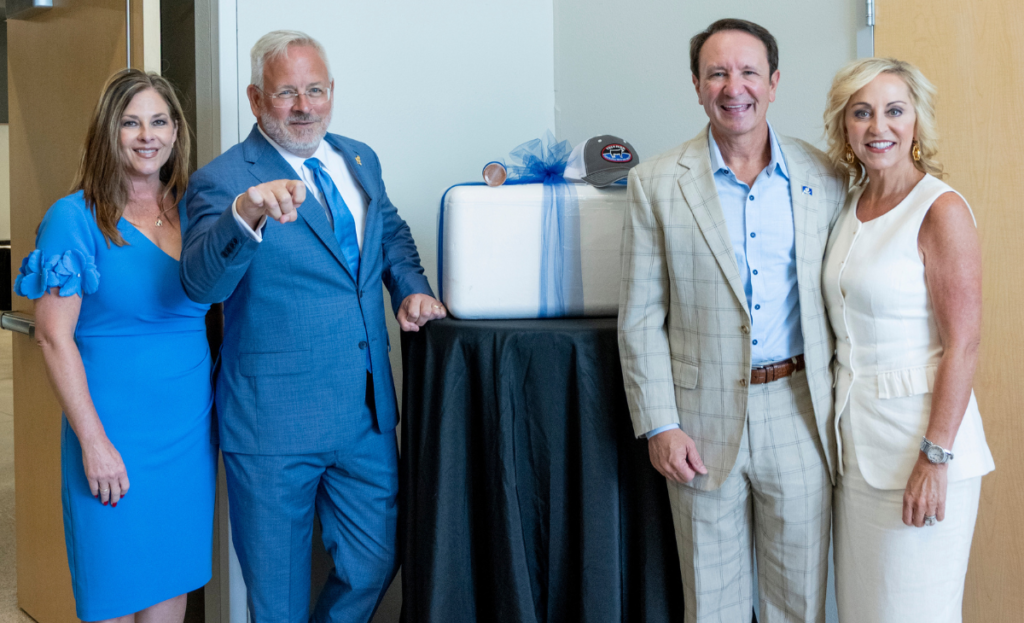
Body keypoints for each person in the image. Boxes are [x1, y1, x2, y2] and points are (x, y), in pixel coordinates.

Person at [179, 30, 445, 622]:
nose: (304, 106)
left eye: (316, 90)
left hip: (365, 415)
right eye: (286, 93)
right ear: (255, 99)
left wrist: (411, 288)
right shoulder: (222, 181)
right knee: (277, 601)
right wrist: (244, 217)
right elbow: (200, 286)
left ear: (332, 92)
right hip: (272, 424)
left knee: (375, 561)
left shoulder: (359, 158)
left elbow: (391, 233)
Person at [617, 19, 846, 622]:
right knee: (711, 603)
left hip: (800, 410)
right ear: (696, 85)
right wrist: (659, 424)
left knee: (798, 600)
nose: (733, 87)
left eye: (748, 72)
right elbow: (640, 317)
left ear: (774, 82)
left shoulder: (825, 177)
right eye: (717, 72)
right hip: (697, 423)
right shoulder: (655, 184)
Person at [15, 70, 214, 622]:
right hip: (111, 438)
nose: (145, 135)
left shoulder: (198, 214)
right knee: (112, 603)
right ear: (109, 132)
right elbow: (54, 337)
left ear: (176, 133)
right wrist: (93, 442)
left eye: (157, 121)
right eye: (130, 123)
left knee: (169, 599)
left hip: (187, 439)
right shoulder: (73, 218)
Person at [821, 58, 994, 623]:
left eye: (894, 111)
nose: (879, 127)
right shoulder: (850, 205)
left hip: (921, 449)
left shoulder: (940, 210)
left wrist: (934, 459)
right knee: (864, 612)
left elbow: (963, 344)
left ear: (916, 121)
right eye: (862, 112)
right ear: (844, 126)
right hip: (858, 452)